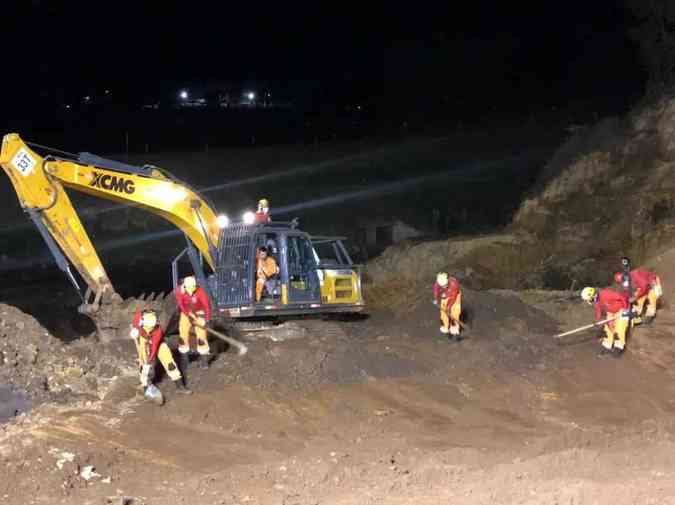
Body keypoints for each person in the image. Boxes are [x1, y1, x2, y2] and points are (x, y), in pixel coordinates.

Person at [130, 309, 191, 395]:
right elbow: (135, 323)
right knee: (143, 364)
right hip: (144, 341)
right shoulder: (139, 317)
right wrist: (135, 329)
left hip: (159, 344)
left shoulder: (158, 331)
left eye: (151, 328)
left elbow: (154, 347)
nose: (150, 330)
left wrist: (150, 360)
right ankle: (145, 385)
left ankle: (180, 387)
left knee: (170, 364)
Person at [175, 275, 212, 372]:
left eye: (193, 288)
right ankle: (184, 358)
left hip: (199, 312)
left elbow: (207, 307)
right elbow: (181, 305)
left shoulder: (200, 292)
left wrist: (207, 320)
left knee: (201, 335)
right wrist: (188, 314)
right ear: (185, 286)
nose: (191, 291)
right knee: (183, 332)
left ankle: (204, 360)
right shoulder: (179, 291)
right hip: (186, 312)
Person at [581, 286, 630, 356]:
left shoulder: (605, 294)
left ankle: (619, 347)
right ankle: (607, 345)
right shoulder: (596, 300)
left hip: (621, 309)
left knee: (619, 329)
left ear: (592, 295)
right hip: (610, 311)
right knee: (608, 328)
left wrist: (625, 309)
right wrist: (597, 321)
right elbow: (598, 310)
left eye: (588, 299)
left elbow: (621, 297)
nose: (587, 301)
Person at [432, 272, 462, 339]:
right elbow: (436, 291)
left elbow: (453, 297)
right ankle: (446, 326)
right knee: (443, 313)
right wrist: (436, 300)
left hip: (454, 297)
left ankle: (455, 327)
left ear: (448, 279)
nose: (444, 286)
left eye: (445, 285)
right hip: (445, 296)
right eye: (442, 285)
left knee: (455, 312)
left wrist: (448, 307)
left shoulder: (454, 283)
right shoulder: (438, 283)